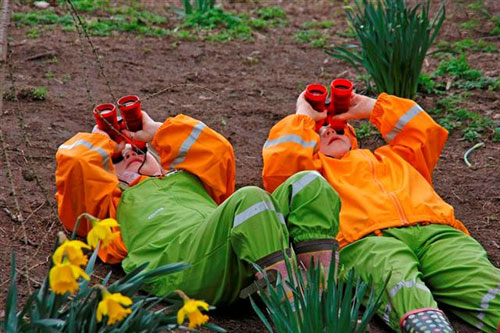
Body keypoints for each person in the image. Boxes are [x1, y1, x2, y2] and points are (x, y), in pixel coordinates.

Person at [262, 90, 500, 332]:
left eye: (337, 127)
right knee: (397, 281)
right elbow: (283, 163)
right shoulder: (316, 175)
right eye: (318, 132)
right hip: (367, 242)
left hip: (437, 232)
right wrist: (304, 116)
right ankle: (430, 328)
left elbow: (425, 132)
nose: (329, 131)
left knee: (479, 277)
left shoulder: (396, 157)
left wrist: (372, 107)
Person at [55, 109, 341, 305]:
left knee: (308, 183)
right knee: (251, 199)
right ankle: (294, 307)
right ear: (105, 174)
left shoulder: (189, 178)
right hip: (182, 266)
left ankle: (322, 298)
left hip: (230, 248)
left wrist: (154, 130)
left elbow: (217, 150)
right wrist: (105, 139)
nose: (130, 152)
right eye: (118, 160)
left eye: (139, 150)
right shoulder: (110, 204)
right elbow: (77, 163)